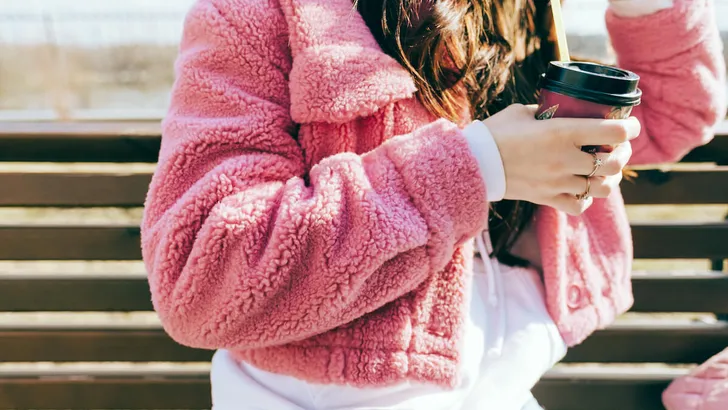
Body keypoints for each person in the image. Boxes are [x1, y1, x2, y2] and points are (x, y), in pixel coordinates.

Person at [141, 0, 725, 408]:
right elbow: (200, 276)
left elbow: (676, 115)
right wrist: (478, 165)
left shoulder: (518, 12)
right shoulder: (257, 14)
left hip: (505, 388)